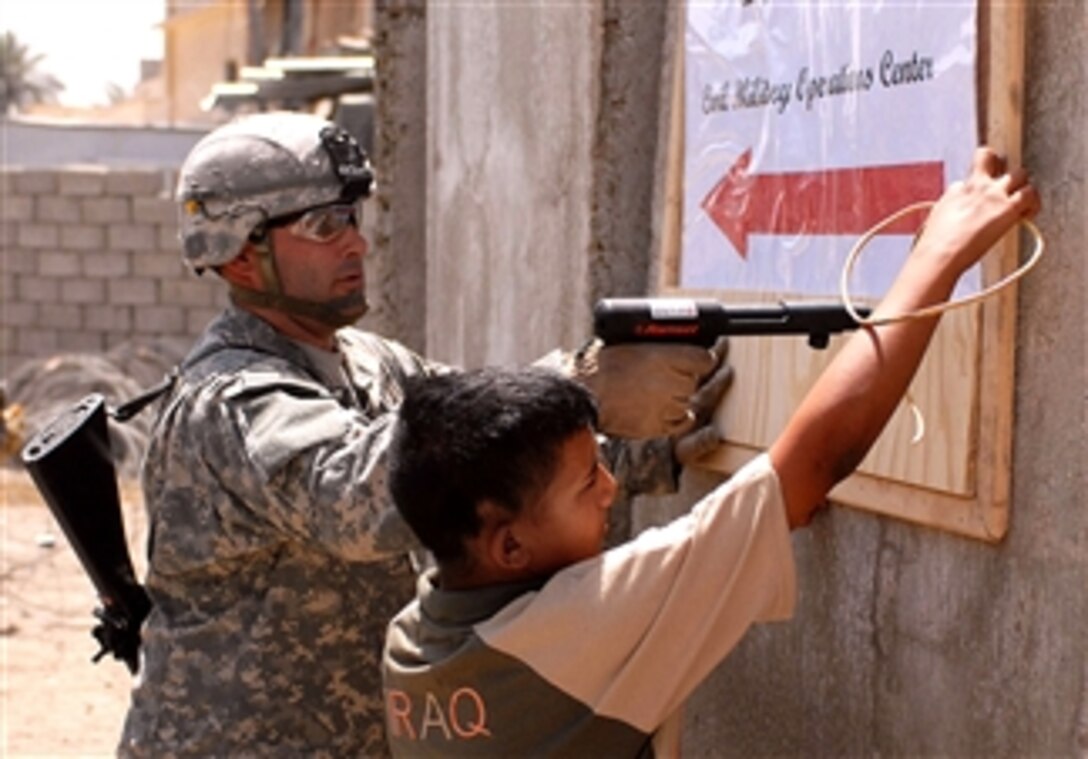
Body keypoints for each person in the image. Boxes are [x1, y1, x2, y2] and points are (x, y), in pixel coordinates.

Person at [381, 147, 1040, 757]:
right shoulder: (578, 628)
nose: (612, 489)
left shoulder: (415, 641)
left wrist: (751, 528)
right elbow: (814, 463)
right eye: (587, 483)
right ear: (509, 546)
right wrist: (941, 252)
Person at [116, 111, 732, 757]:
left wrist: (650, 447)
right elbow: (357, 500)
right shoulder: (231, 399)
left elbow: (493, 460)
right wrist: (577, 386)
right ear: (240, 254)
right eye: (324, 225)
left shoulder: (369, 363)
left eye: (353, 218)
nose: (356, 243)